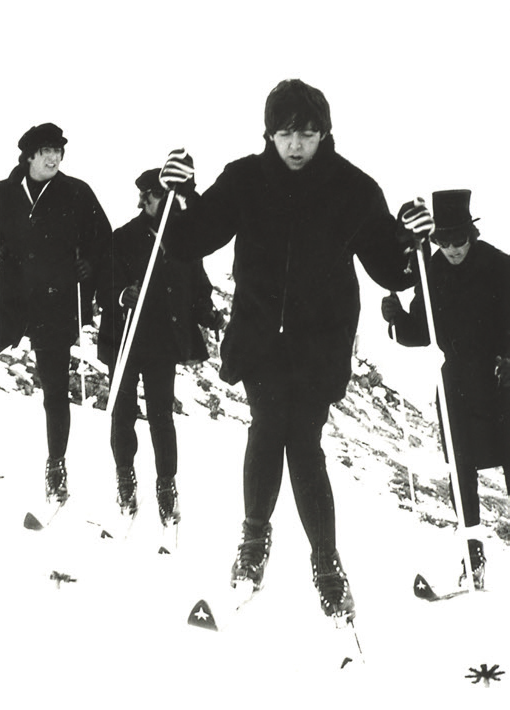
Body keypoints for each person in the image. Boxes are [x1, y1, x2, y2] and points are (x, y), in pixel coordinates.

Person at [158, 78, 433, 619]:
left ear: (324, 133)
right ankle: (253, 543)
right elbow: (190, 240)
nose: (296, 145)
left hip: (320, 342)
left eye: (307, 133)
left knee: (302, 440)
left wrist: (409, 239)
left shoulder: (353, 188)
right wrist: (180, 194)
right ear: (270, 134)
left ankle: (325, 563)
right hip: (260, 336)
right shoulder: (244, 179)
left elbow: (389, 270)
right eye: (286, 133)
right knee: (267, 428)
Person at [381, 189, 510, 589]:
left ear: (471, 234)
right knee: (461, 470)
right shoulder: (430, 270)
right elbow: (423, 332)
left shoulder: (500, 265)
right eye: (444, 240)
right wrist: (397, 319)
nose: (452, 248)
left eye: (459, 239)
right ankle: (472, 559)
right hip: (455, 380)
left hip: (502, 377)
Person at [96, 168, 224, 524]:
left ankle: (166, 485)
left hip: (161, 342)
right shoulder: (124, 237)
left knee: (160, 416)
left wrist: (209, 314)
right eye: (150, 196)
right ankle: (125, 478)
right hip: (124, 337)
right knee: (123, 412)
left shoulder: (182, 242)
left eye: (158, 195)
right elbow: (105, 282)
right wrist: (123, 294)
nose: (150, 201)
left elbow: (197, 288)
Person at [0, 123, 112, 503]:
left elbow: (103, 238)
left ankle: (56, 465)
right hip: (8, 298)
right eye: (46, 150)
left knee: (55, 391)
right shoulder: (4, 193)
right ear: (29, 155)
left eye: (58, 150)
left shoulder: (76, 193)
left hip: (56, 301)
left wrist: (89, 266)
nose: (54, 157)